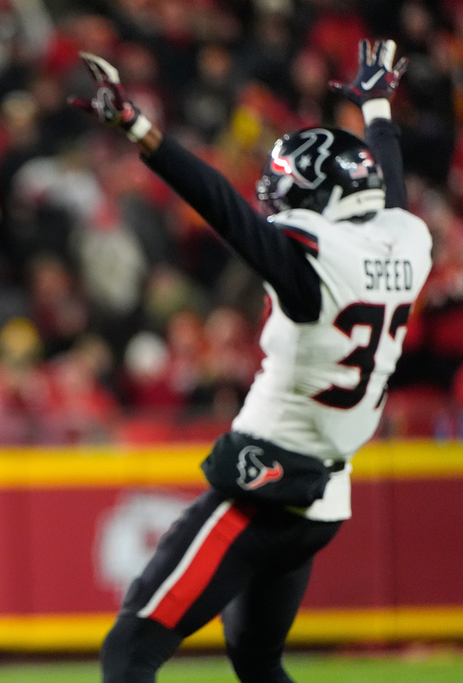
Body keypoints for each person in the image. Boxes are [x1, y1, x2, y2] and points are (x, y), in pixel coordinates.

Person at [69, 40, 432, 682]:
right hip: (324, 498)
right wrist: (376, 103)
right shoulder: (403, 241)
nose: (280, 200)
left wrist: (137, 126)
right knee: (258, 663)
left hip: (266, 483)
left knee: (130, 649)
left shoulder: (314, 262)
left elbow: (223, 207)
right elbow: (392, 180)